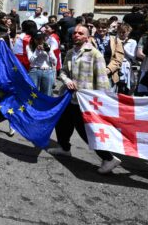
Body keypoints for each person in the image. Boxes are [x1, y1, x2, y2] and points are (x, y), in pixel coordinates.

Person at [48, 26, 121, 174]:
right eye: (74, 32)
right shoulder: (70, 52)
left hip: (85, 101)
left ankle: (108, 158)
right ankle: (64, 148)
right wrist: (67, 80)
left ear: (87, 37)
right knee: (62, 123)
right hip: (68, 97)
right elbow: (62, 72)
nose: (76, 35)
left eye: (80, 33)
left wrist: (100, 102)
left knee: (85, 131)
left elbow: (102, 80)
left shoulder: (95, 54)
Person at [27, 32, 56, 96]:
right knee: (33, 93)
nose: (40, 41)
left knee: (47, 94)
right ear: (34, 39)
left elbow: (54, 61)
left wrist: (48, 51)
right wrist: (37, 51)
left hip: (47, 71)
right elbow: (31, 61)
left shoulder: (48, 46)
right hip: (35, 70)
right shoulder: (29, 47)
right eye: (38, 39)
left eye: (42, 38)